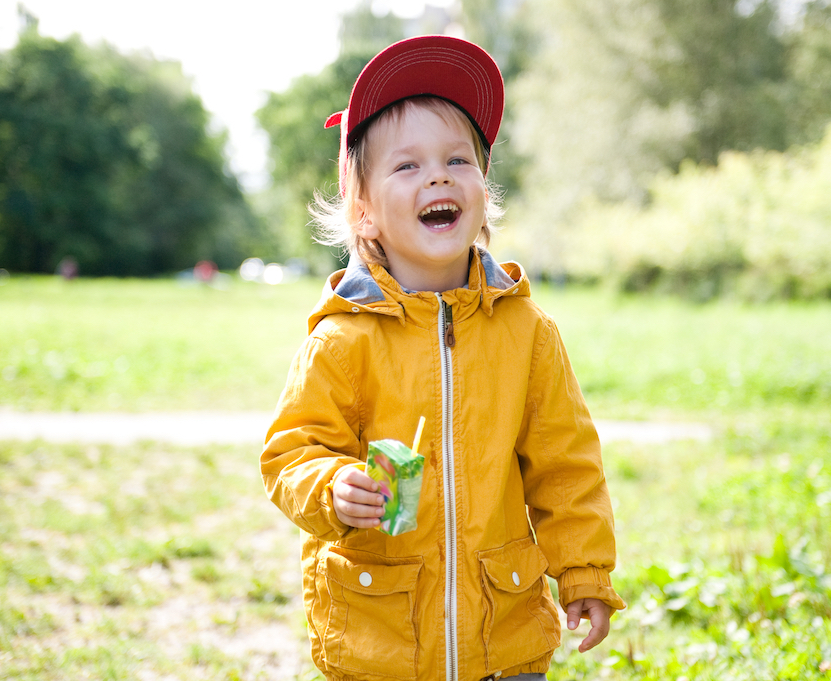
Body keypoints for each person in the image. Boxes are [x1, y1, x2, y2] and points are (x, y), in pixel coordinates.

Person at [260, 35, 626, 681]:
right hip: (382, 636)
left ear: (482, 190)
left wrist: (584, 570)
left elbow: (565, 462)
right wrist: (331, 485)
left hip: (504, 632)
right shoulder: (343, 339)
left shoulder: (526, 330)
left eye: (458, 159)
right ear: (365, 211)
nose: (438, 175)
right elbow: (292, 450)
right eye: (407, 166)